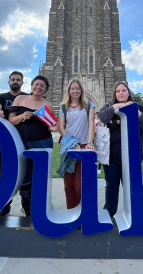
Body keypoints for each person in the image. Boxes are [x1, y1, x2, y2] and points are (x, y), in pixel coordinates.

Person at [98, 82, 143, 217]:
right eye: (118, 91)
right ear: (114, 94)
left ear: (128, 93)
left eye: (123, 90)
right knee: (111, 185)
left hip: (132, 156)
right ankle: (109, 212)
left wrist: (137, 112)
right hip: (112, 156)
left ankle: (134, 213)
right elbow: (102, 117)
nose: (121, 93)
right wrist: (118, 106)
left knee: (131, 186)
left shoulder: (138, 107)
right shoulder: (109, 107)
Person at [9, 75, 58, 217]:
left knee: (39, 176)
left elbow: (50, 125)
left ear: (46, 89)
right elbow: (11, 119)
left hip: (42, 141)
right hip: (22, 142)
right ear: (31, 86)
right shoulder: (20, 99)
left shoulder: (47, 105)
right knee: (24, 176)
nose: (38, 87)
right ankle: (26, 206)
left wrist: (54, 127)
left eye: (42, 86)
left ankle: (39, 208)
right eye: (36, 84)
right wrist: (22, 116)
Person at [0, 70, 28, 216]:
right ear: (9, 82)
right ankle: (5, 204)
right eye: (13, 79)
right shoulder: (2, 97)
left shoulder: (27, 97)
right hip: (6, 140)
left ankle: (27, 205)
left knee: (25, 173)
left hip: (22, 139)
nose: (15, 81)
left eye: (18, 79)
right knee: (5, 172)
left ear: (22, 82)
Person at [58, 79, 95, 209]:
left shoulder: (89, 105)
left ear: (81, 91)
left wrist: (90, 142)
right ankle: (71, 212)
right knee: (68, 185)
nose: (75, 91)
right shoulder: (63, 107)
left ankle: (81, 212)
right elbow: (61, 127)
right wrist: (70, 142)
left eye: (77, 89)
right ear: (68, 90)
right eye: (72, 89)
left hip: (84, 146)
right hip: (68, 147)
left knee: (79, 186)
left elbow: (91, 124)